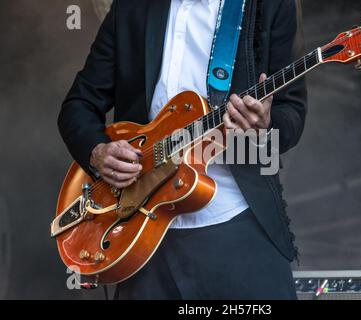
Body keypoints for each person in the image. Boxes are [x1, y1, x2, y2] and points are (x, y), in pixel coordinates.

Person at [58, 0, 307, 299]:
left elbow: (291, 115)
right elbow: (79, 105)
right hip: (141, 232)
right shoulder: (132, 8)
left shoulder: (269, 6)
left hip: (237, 224)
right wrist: (97, 152)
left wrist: (265, 124)